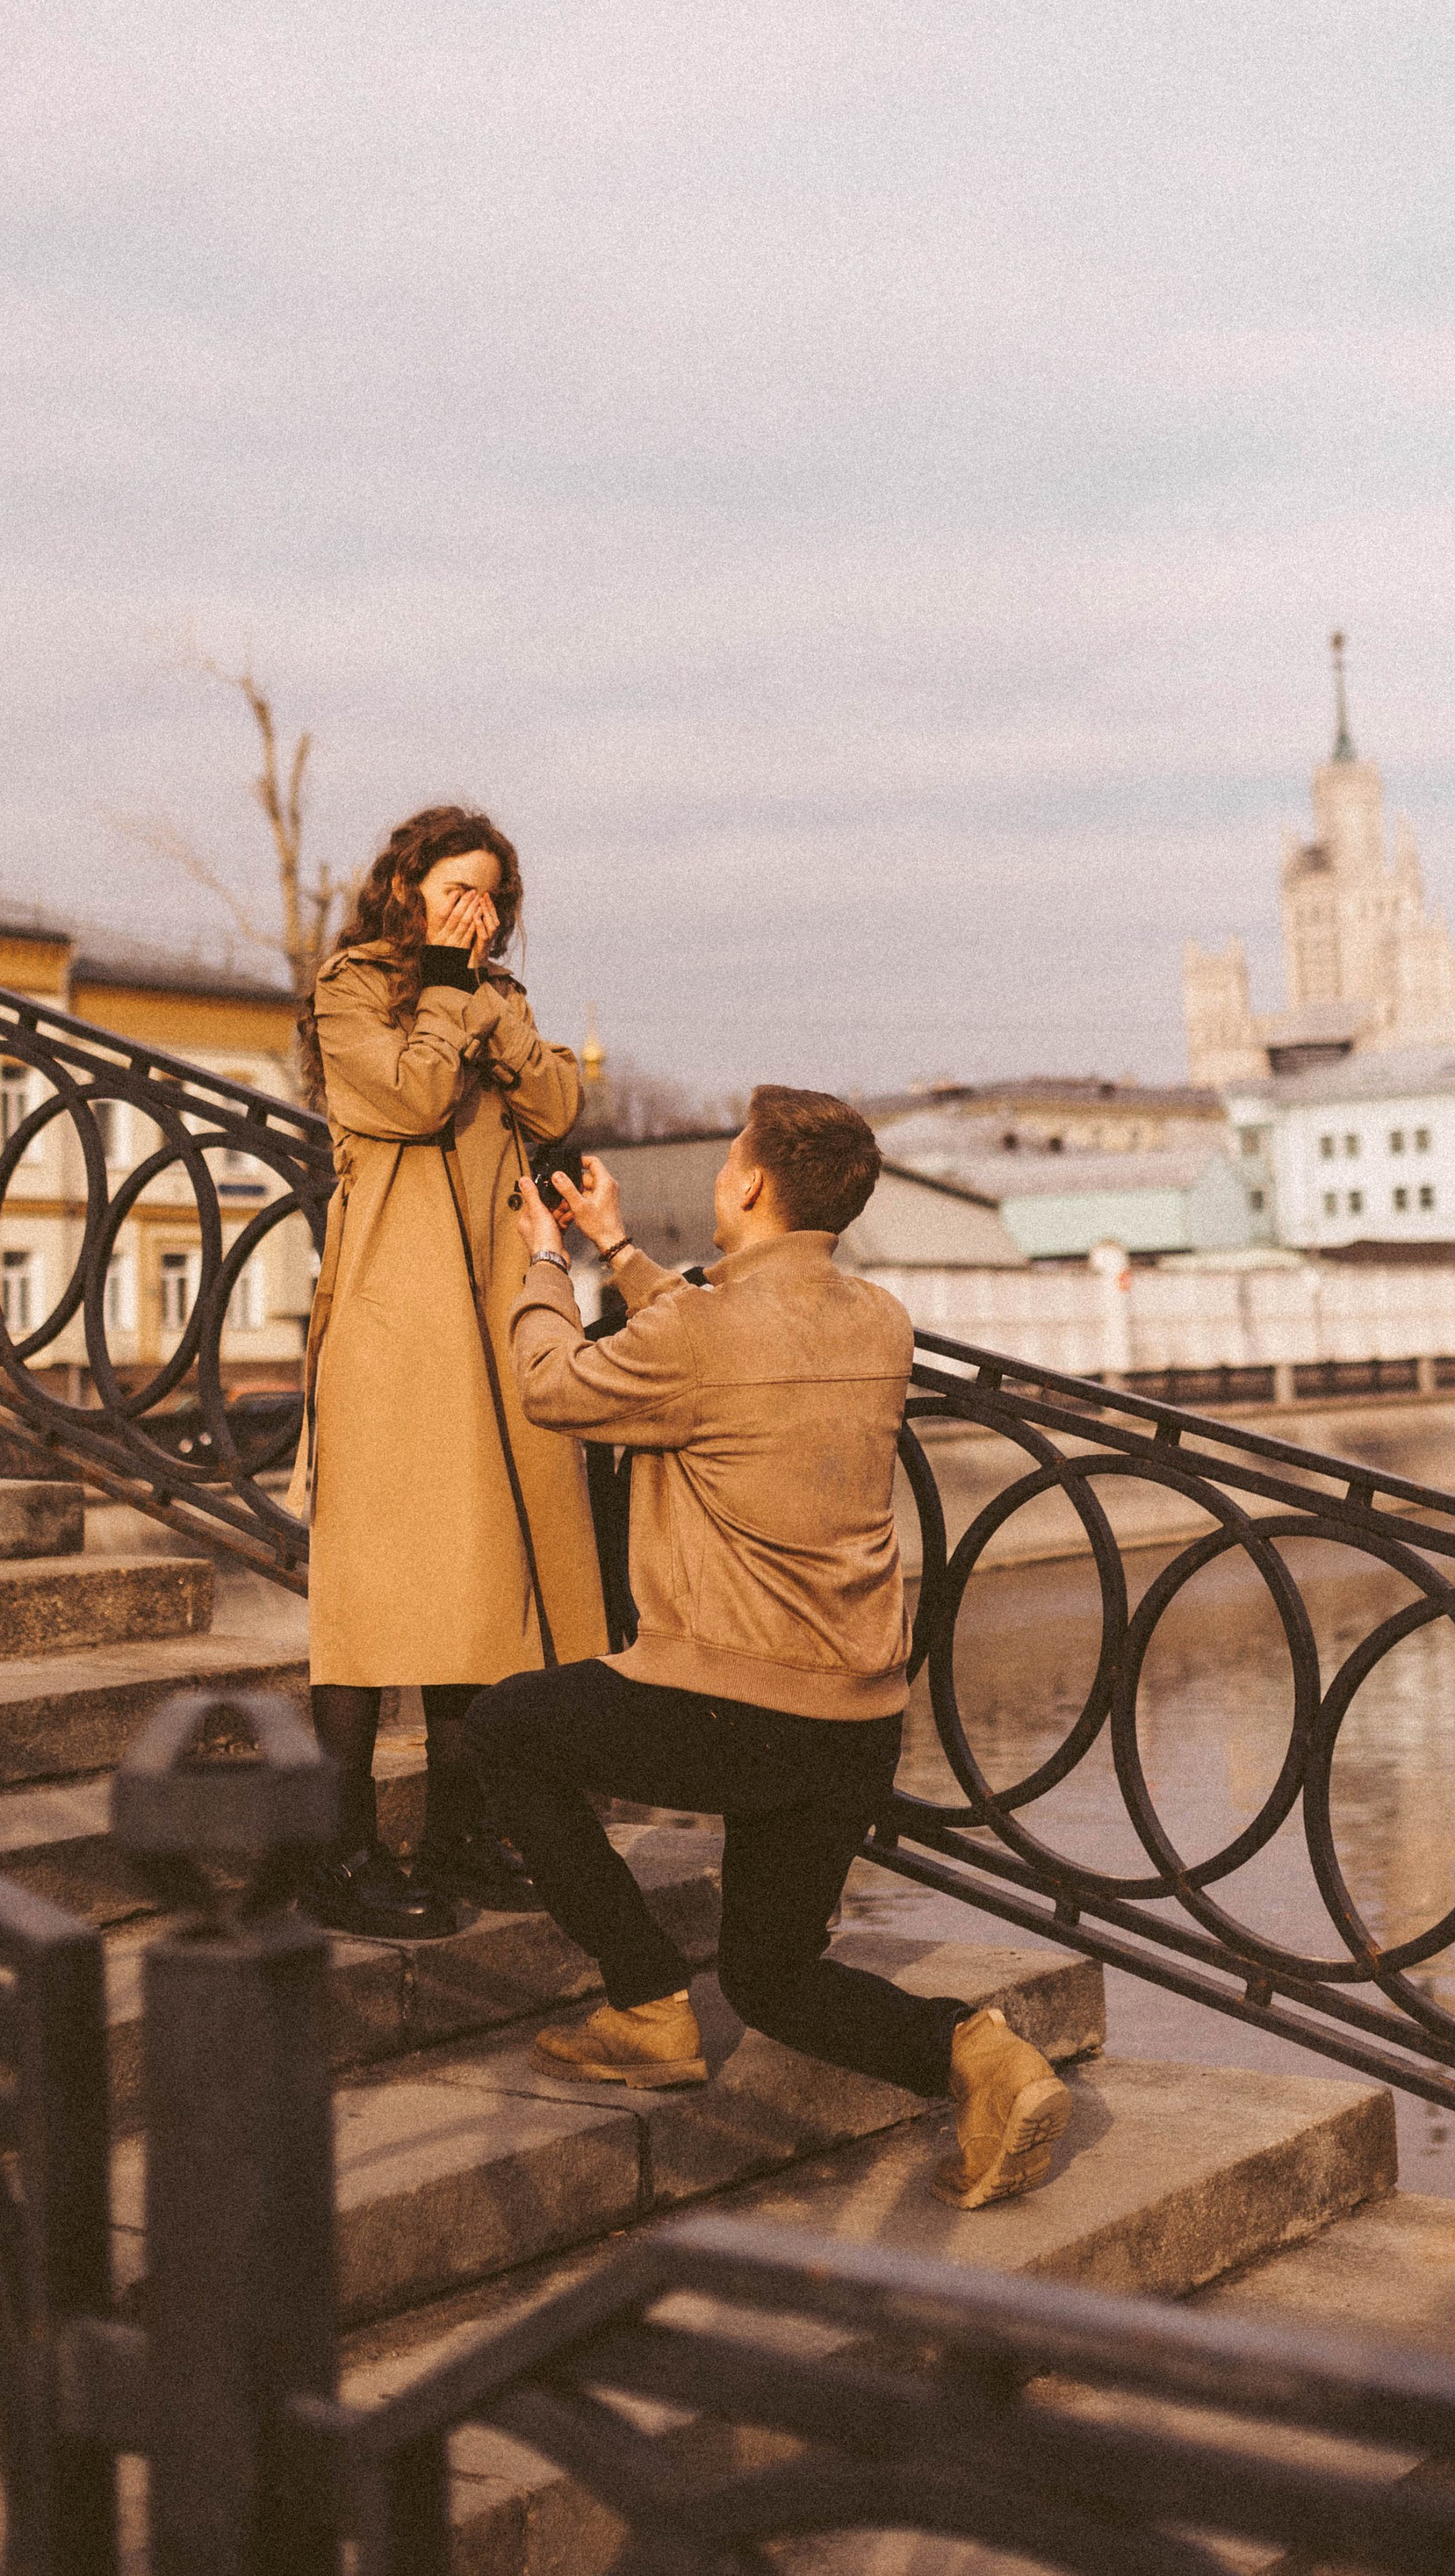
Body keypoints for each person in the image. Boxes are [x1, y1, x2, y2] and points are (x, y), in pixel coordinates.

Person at [465, 1086, 1072, 2210]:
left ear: (746, 1182)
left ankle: (646, 1999)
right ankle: (987, 2059)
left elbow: (555, 1384)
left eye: (726, 1161)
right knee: (771, 1976)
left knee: (507, 1725)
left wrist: (546, 1264)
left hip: (725, 1710)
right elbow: (720, 1344)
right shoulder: (877, 1319)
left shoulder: (696, 1334)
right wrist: (618, 1245)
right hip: (857, 1720)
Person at [288, 803, 609, 1938]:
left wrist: (483, 1006)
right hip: (392, 1317)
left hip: (489, 1311)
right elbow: (411, 1098)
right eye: (453, 889)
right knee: (374, 1585)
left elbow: (562, 1102)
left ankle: (463, 1834)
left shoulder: (499, 1000)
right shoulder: (351, 988)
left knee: (482, 1578)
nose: (475, 913)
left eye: (491, 896)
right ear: (406, 888)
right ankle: (339, 1851)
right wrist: (438, 988)